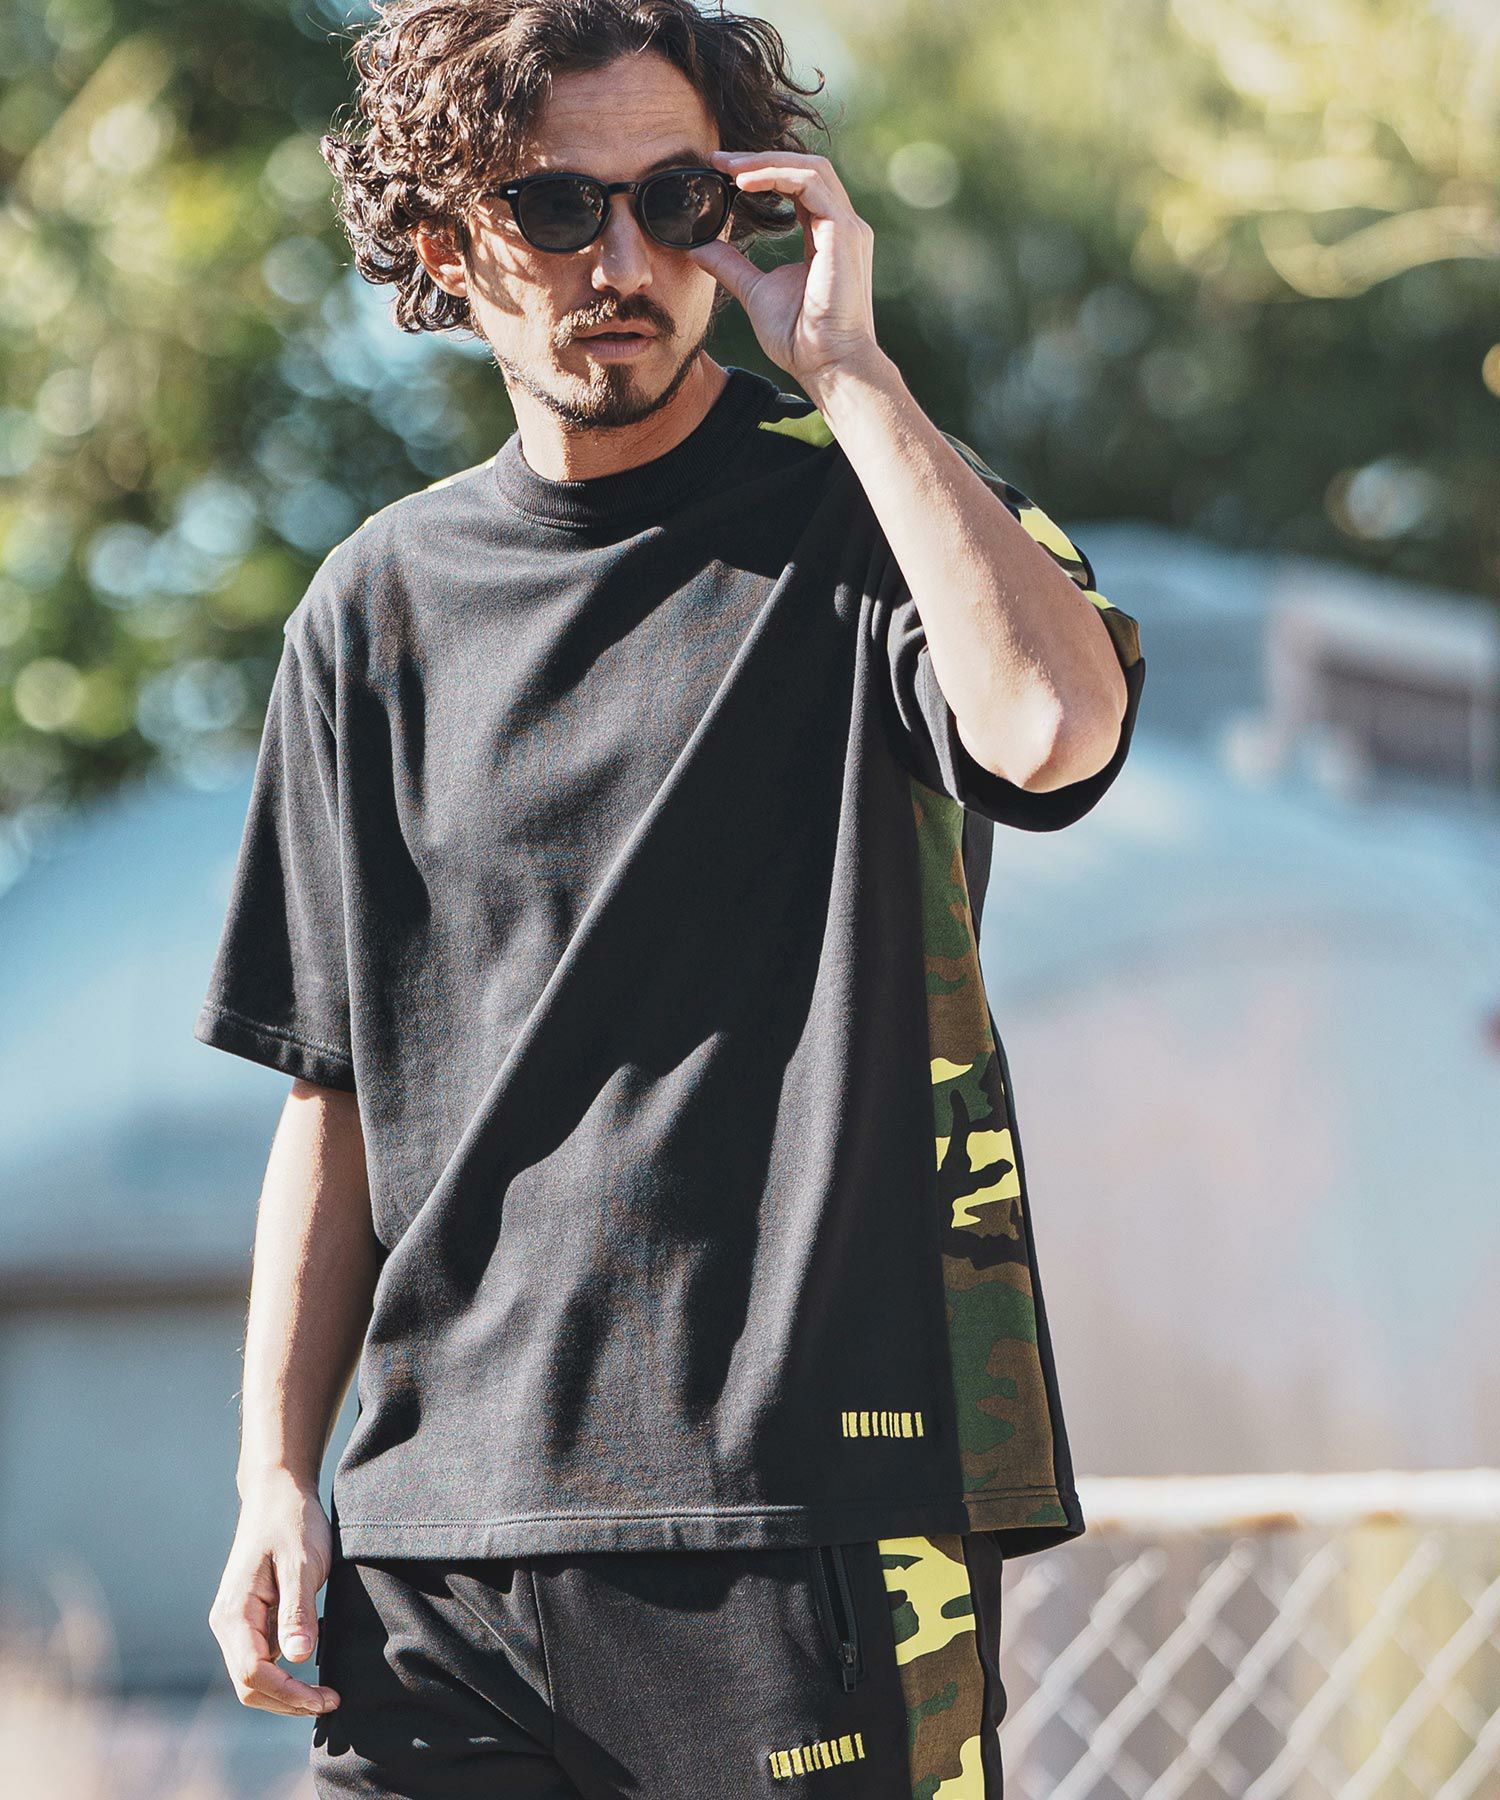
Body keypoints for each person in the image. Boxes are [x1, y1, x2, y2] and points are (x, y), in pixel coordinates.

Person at [198, 1, 1146, 1795]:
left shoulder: (880, 518)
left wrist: (851, 373)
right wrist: (272, 1476)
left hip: (805, 1524)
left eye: (678, 201)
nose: (623, 263)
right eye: (558, 208)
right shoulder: (373, 606)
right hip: (438, 1555)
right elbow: (331, 1091)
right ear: (443, 244)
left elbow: (1049, 732)